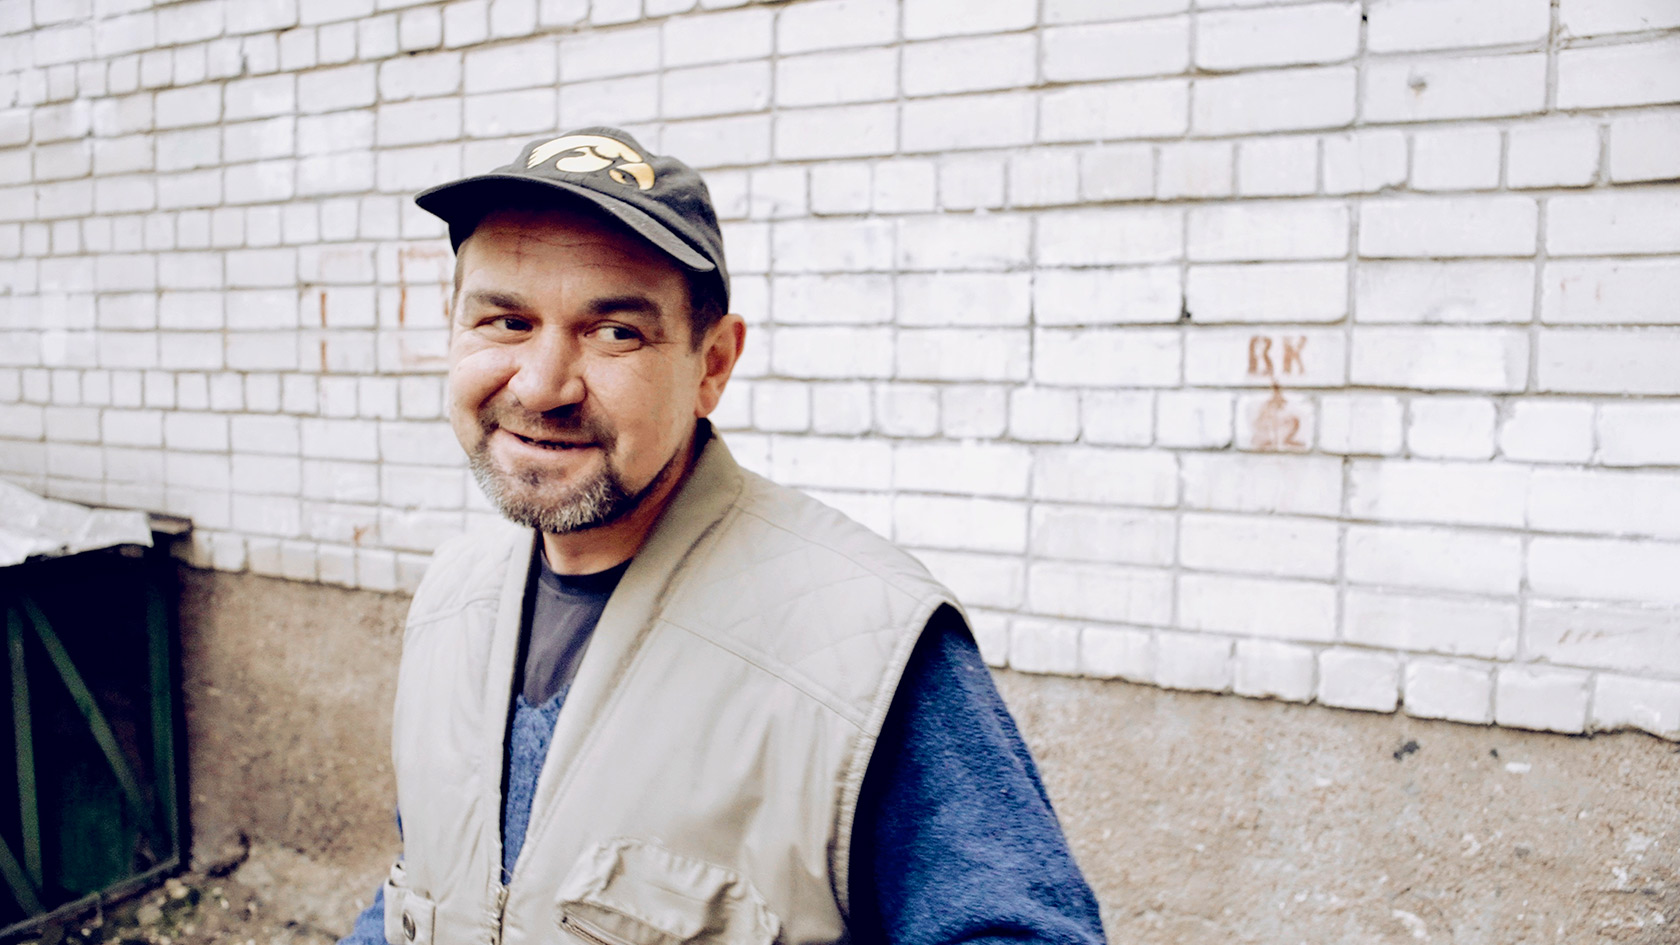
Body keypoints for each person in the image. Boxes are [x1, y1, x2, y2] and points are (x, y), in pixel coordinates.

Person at [338, 127, 1106, 945]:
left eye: (615, 332)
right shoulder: (450, 599)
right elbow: (431, 884)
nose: (541, 386)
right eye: (506, 321)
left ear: (712, 365)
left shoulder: (863, 647)